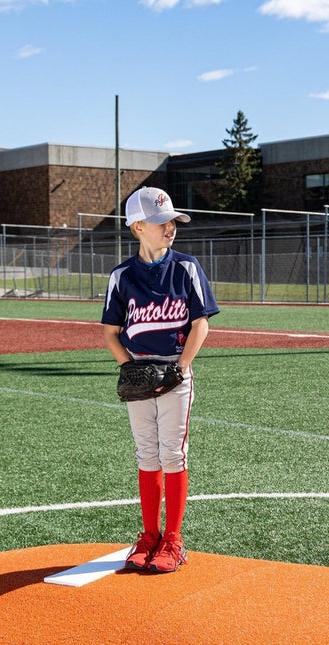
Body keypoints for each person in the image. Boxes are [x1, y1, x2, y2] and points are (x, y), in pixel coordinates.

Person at [101, 187, 220, 573]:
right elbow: (110, 331)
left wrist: (181, 367)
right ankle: (149, 535)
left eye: (171, 221)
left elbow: (200, 323)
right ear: (137, 226)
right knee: (146, 454)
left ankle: (173, 538)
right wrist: (127, 367)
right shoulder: (122, 276)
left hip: (175, 372)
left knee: (172, 453)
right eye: (159, 221)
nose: (169, 227)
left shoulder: (186, 267)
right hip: (139, 374)